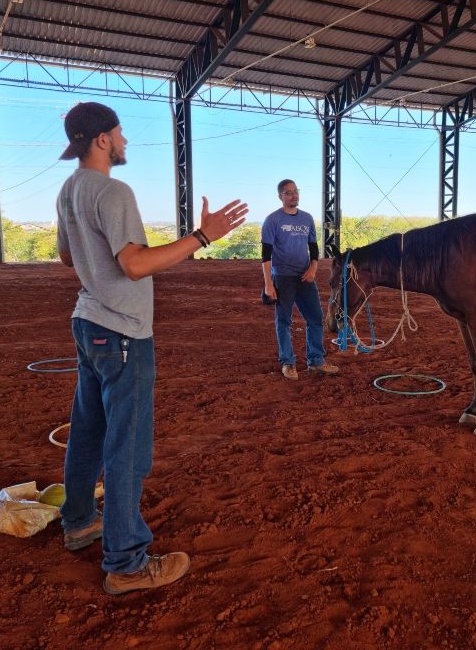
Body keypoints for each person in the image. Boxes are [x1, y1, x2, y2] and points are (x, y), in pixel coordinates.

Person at [55, 102, 248, 595]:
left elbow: (65, 255)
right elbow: (135, 266)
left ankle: (79, 521)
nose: (124, 141)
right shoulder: (113, 190)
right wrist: (204, 236)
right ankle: (125, 563)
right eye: (119, 133)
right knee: (128, 449)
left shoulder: (69, 189)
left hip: (87, 324)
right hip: (122, 332)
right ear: (102, 139)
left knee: (88, 432)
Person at [261, 180, 339, 379]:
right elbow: (266, 256)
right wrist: (269, 284)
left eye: (295, 191)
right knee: (284, 321)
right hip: (283, 276)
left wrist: (313, 269)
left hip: (305, 276)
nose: (293, 195)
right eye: (288, 193)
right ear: (281, 196)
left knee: (315, 318)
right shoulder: (272, 220)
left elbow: (313, 248)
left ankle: (316, 361)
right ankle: (288, 363)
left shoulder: (307, 219)